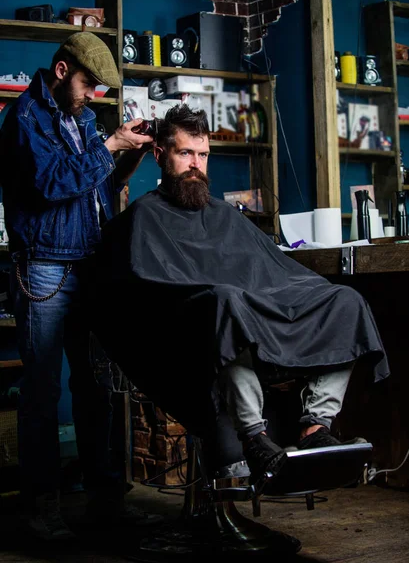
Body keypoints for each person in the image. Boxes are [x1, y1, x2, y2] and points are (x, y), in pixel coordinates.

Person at [85, 103, 390, 490]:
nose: (196, 164)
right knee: (227, 302)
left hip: (245, 317)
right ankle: (255, 437)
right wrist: (224, 298)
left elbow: (272, 272)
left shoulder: (225, 215)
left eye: (203, 155)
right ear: (161, 156)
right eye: (185, 153)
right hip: (188, 332)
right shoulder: (145, 217)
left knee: (344, 300)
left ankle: (315, 425)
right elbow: (146, 292)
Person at [0, 32, 162, 541]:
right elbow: (51, 185)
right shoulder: (25, 119)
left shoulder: (83, 120)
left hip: (88, 264)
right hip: (45, 266)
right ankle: (40, 510)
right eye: (89, 84)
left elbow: (101, 183)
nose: (93, 96)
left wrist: (130, 151)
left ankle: (104, 503)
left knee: (96, 391)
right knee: (43, 393)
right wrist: (109, 143)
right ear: (63, 69)